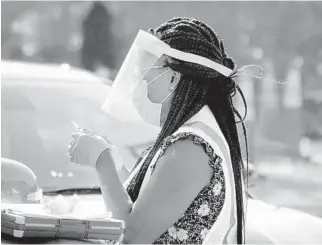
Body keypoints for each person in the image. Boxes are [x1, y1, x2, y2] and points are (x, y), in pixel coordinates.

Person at [68, 17, 249, 244]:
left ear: (173, 76)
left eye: (149, 66)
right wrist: (114, 162)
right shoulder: (188, 136)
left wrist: (102, 162)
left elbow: (130, 235)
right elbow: (143, 203)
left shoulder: (190, 148)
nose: (142, 76)